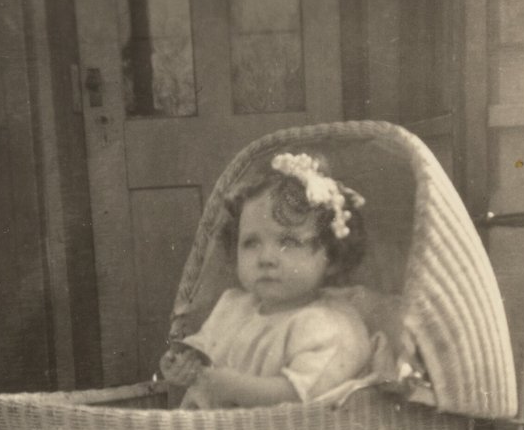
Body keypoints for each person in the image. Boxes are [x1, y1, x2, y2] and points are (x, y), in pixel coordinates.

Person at [159, 152, 373, 408]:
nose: (266, 258)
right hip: (209, 429)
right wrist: (184, 363)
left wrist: (234, 387)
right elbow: (204, 352)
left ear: (332, 257)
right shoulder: (233, 306)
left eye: (288, 242)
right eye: (251, 243)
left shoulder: (330, 326)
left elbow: (302, 396)